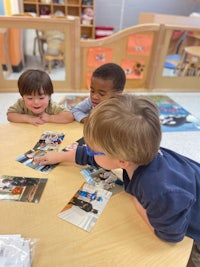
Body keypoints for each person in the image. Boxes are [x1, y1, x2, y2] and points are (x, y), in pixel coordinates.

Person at [35, 94, 200, 267]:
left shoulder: (159, 191)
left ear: (122, 161)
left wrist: (139, 205)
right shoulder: (138, 150)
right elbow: (94, 157)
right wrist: (60, 156)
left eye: (93, 150)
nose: (88, 151)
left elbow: (170, 236)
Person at [59, 62, 126, 123]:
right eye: (92, 91)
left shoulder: (125, 109)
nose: (94, 96)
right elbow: (75, 110)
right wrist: (86, 120)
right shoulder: (91, 101)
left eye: (101, 94)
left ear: (118, 95)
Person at [7, 69, 74, 126]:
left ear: (49, 96)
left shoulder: (51, 106)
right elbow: (10, 116)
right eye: (30, 98)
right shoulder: (21, 103)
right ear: (23, 97)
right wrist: (28, 118)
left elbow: (69, 116)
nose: (36, 102)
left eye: (41, 98)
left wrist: (49, 118)